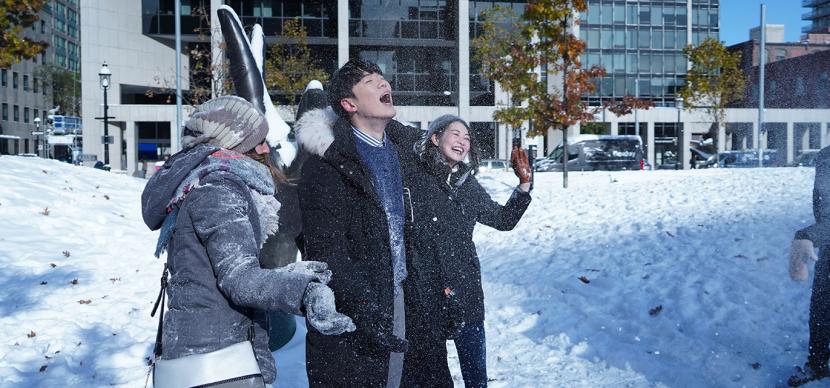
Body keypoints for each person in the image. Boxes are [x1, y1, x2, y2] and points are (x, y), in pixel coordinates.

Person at [140, 96, 355, 387]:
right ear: (234, 144)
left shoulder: (204, 182)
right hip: (216, 363)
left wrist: (287, 273)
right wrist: (304, 292)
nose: (266, 148)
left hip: (205, 351)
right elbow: (238, 278)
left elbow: (217, 270)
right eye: (258, 141)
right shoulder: (218, 190)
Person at [295, 58, 415, 387]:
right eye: (369, 82)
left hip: (395, 296)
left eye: (381, 77)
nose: (382, 83)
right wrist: (364, 304)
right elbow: (325, 250)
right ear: (349, 104)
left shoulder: (401, 152)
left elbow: (414, 231)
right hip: (352, 305)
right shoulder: (326, 167)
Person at [397, 115, 532, 387]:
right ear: (435, 138)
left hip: (465, 288)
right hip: (423, 292)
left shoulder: (466, 184)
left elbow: (503, 220)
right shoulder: (412, 173)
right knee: (428, 375)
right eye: (455, 134)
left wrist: (524, 186)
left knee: (475, 377)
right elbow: (394, 128)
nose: (462, 141)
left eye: (467, 137)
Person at [788, 146, 830, 387]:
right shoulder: (825, 156)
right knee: (821, 306)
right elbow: (822, 209)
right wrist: (817, 234)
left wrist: (808, 235)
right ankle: (817, 364)